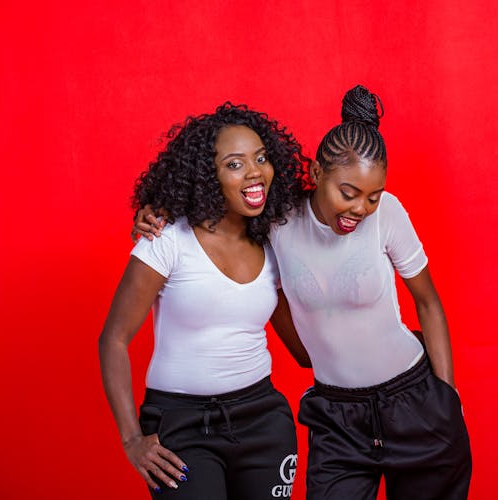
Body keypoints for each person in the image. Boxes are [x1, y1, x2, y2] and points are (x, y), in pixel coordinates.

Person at [135, 86, 471, 499]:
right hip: (337, 417)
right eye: (347, 193)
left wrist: (448, 396)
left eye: (372, 196)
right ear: (315, 175)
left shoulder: (389, 214)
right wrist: (159, 212)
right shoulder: (278, 221)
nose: (360, 209)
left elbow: (428, 302)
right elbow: (223, 210)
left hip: (415, 401)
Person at [99, 102, 311, 499]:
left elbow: (305, 352)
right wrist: (131, 439)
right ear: (206, 176)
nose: (254, 172)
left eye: (261, 158)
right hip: (181, 425)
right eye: (234, 164)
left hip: (263, 420)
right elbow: (113, 340)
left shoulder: (275, 243)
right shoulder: (166, 239)